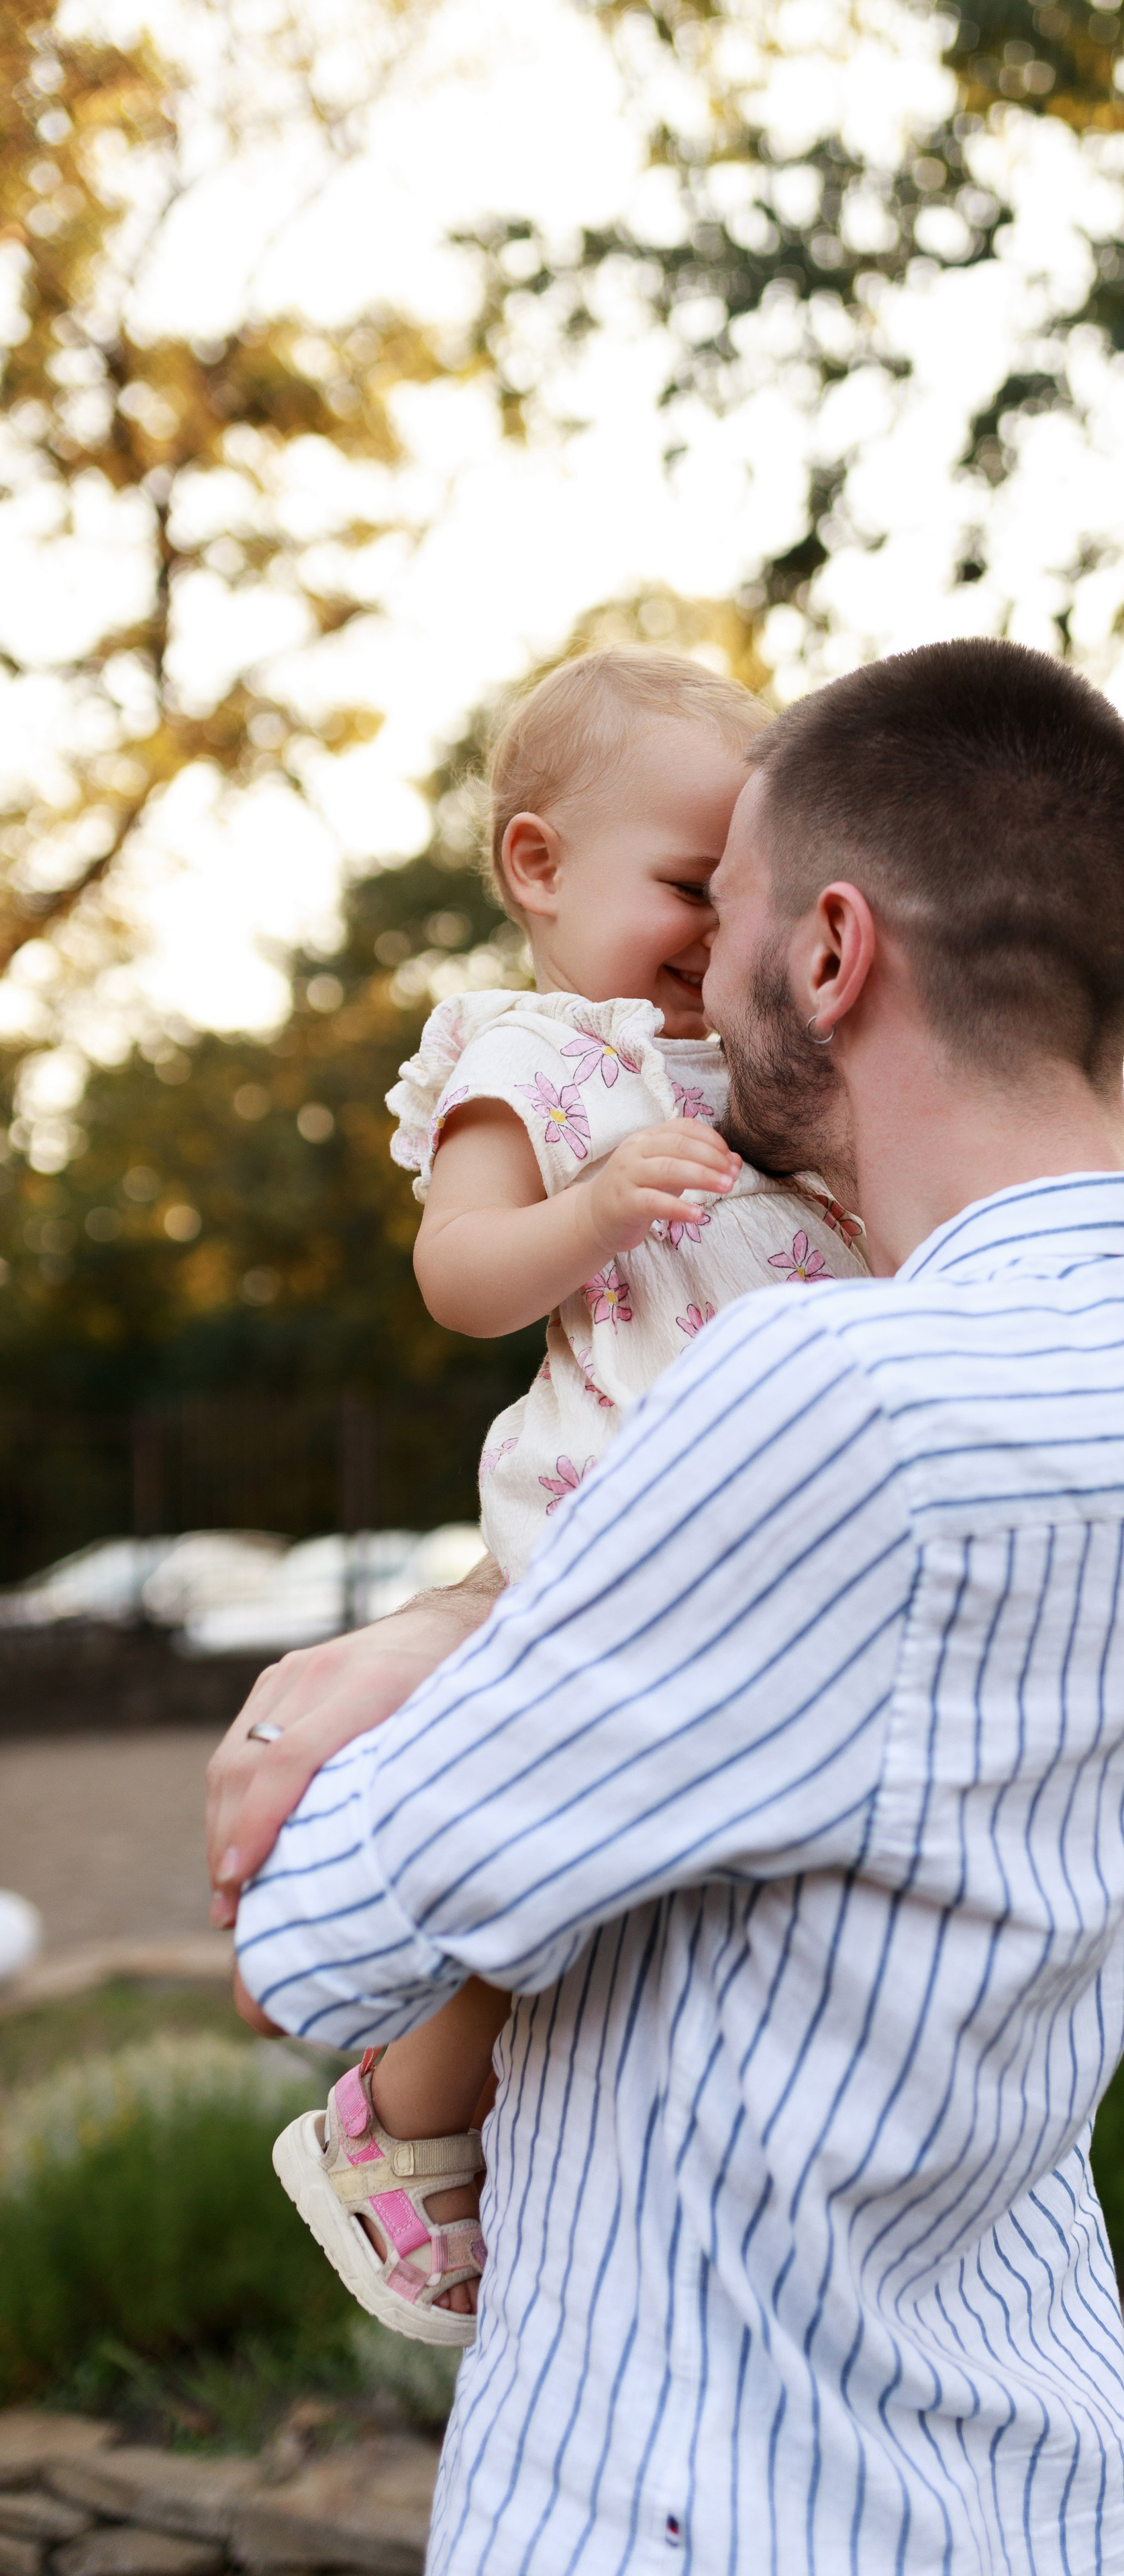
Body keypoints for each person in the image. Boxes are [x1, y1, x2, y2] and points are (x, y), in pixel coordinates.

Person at [213, 637, 1124, 2575]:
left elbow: (309, 1931)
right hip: (1016, 2454)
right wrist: (472, 1613)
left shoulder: (824, 1391)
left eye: (731, 915)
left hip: (697, 2480)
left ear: (833, 953)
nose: (693, 981)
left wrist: (430, 1645)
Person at [268, 648, 867, 2346]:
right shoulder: (531, 1057)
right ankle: (397, 2113)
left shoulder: (744, 1059)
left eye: (733, 894)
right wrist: (597, 1207)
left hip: (744, 1518)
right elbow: (459, 1274)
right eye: (684, 885)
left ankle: (552, 2118)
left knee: (650, 1874)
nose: (709, 932)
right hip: (608, 1510)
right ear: (538, 866)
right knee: (558, 1855)